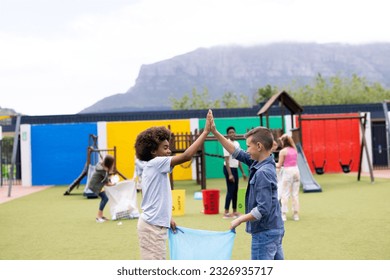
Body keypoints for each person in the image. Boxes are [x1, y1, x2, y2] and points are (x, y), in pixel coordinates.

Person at [134, 109, 213, 260]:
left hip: (153, 225)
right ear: (152, 151)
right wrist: (205, 132)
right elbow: (187, 156)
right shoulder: (156, 163)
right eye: (165, 148)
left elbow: (152, 197)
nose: (169, 151)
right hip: (152, 228)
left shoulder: (152, 166)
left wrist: (166, 218)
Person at [210, 111, 284, 260]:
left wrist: (239, 219)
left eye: (248, 146)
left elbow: (263, 209)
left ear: (259, 146)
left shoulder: (263, 172)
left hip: (264, 233)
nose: (247, 150)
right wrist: (215, 132)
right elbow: (236, 152)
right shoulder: (260, 162)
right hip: (274, 229)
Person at [222, 126, 247, 219]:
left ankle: (235, 211)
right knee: (230, 190)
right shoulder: (226, 143)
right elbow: (227, 160)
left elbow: (239, 159)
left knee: (235, 190)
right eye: (230, 132)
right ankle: (226, 212)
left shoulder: (237, 143)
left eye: (233, 132)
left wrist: (243, 172)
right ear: (228, 134)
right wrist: (230, 174)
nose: (232, 134)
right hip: (228, 169)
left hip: (235, 169)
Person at [276, 134, 300, 221]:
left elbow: (279, 165)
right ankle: (296, 214)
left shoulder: (283, 151)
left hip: (288, 172)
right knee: (295, 194)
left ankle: (283, 214)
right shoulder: (294, 150)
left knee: (285, 194)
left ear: (283, 141)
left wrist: (271, 163)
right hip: (296, 171)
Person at [87, 154, 116, 223]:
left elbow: (106, 179)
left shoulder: (101, 167)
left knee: (104, 198)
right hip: (95, 186)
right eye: (112, 164)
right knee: (105, 198)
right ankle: (98, 217)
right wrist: (114, 184)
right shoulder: (104, 171)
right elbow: (107, 183)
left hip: (95, 184)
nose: (113, 165)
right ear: (109, 164)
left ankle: (101, 216)